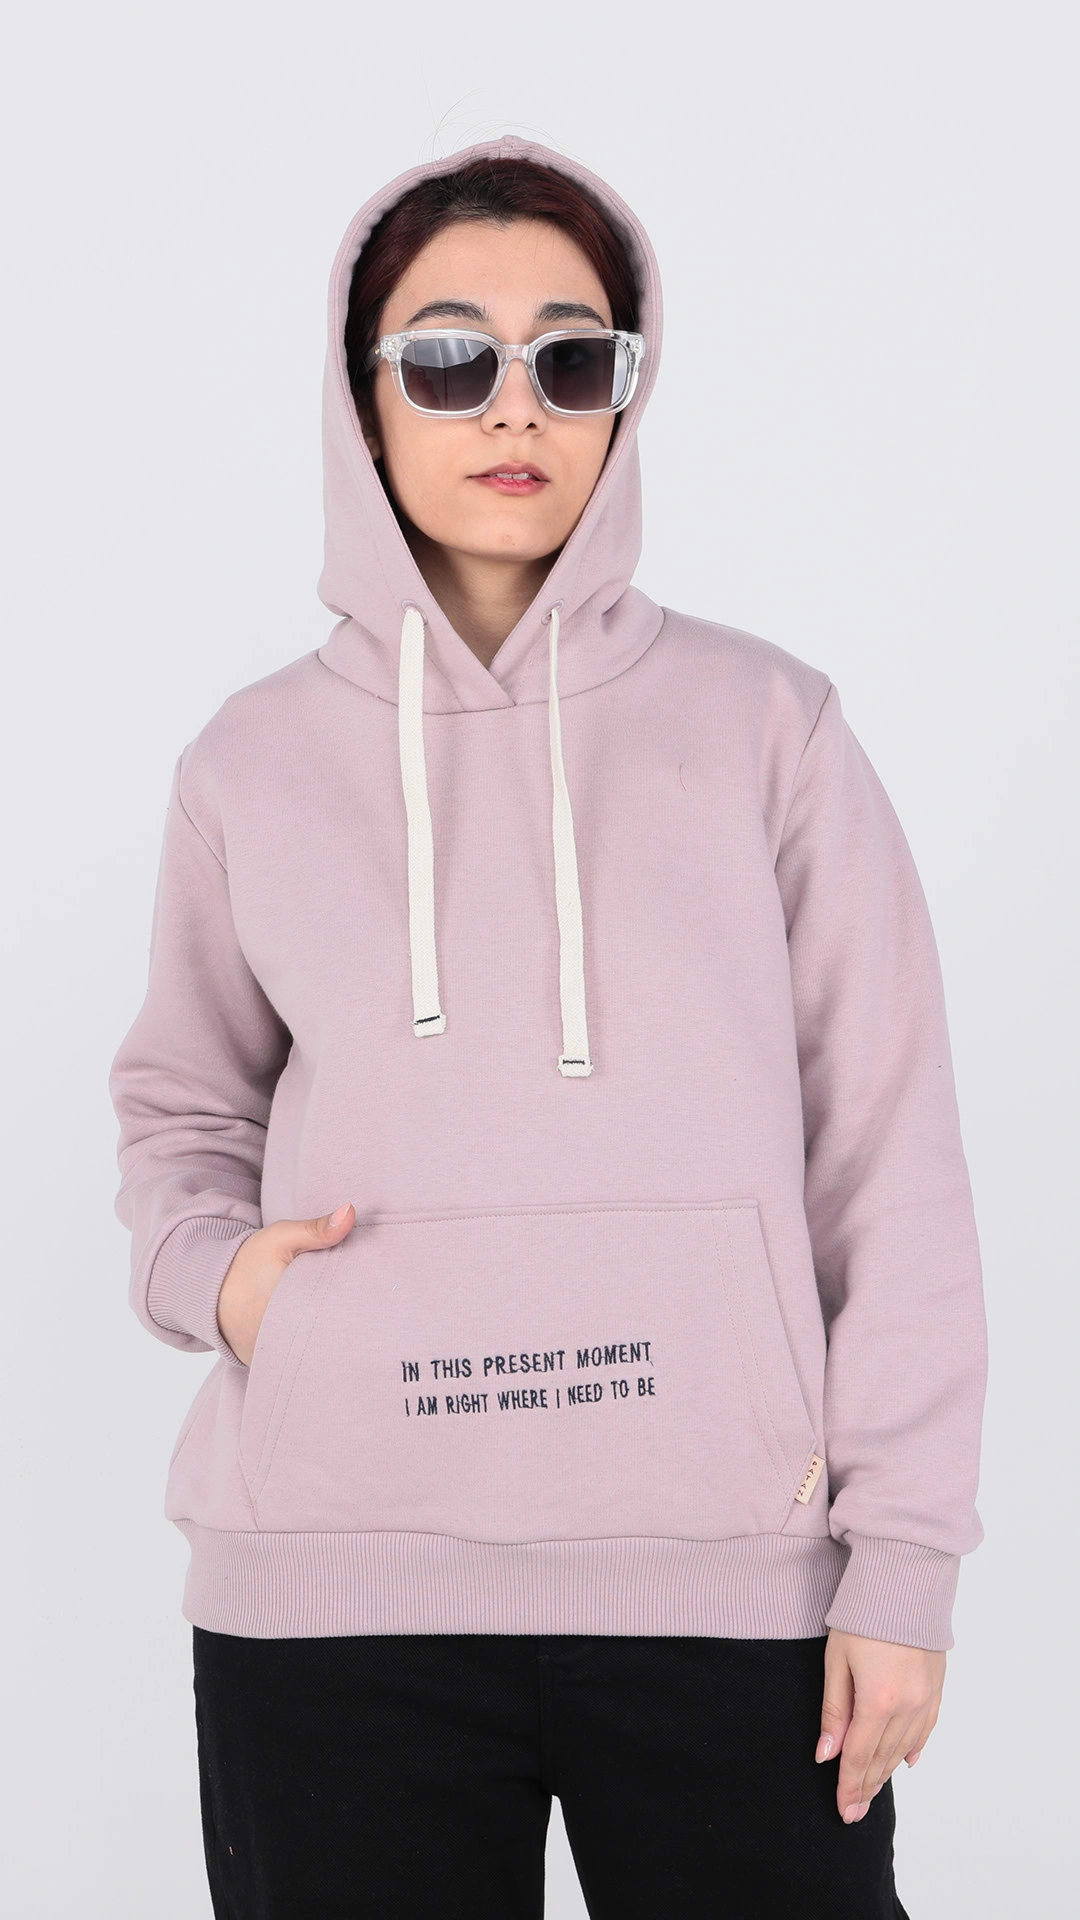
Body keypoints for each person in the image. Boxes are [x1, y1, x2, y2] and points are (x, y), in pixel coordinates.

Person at [108, 132, 988, 1918]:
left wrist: (902, 1561)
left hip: (732, 1591)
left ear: (622, 398)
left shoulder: (770, 728)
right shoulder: (249, 762)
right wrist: (227, 1283)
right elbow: (180, 1108)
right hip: (335, 1595)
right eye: (451, 356)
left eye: (571, 359)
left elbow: (889, 1161)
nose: (516, 403)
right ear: (363, 401)